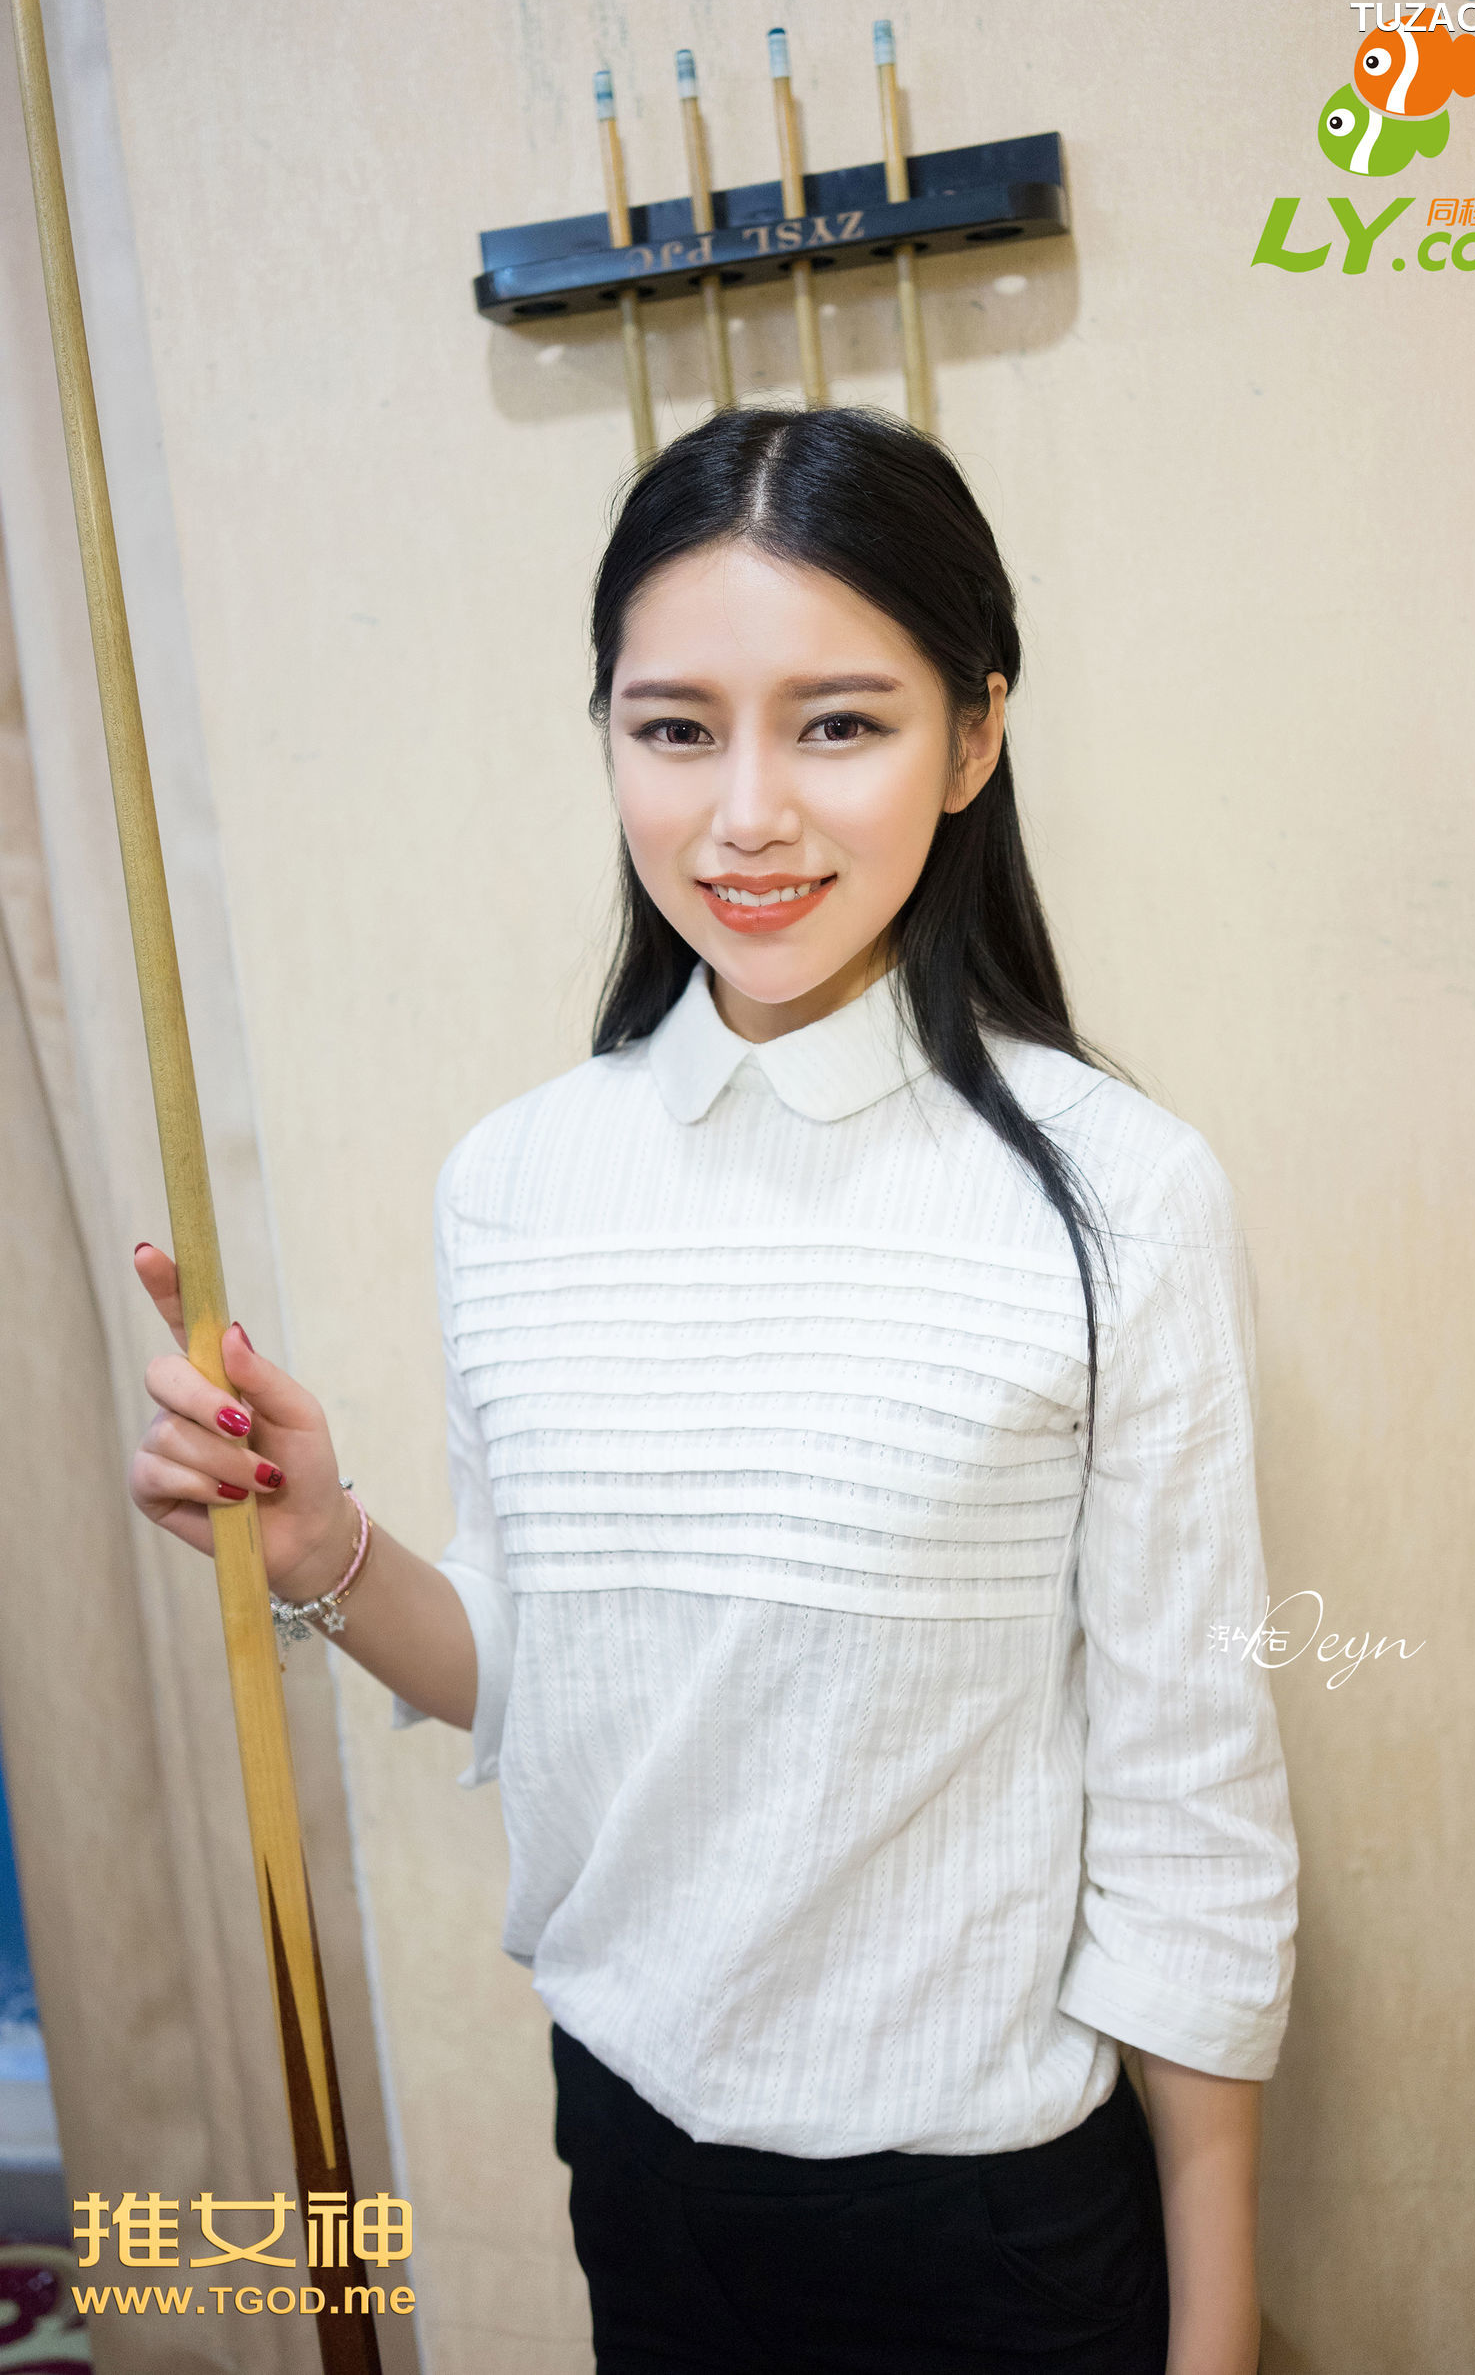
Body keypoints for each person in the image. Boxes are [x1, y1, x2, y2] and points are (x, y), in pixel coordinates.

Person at [129, 406, 1299, 2375]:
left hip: (989, 2222)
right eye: (674, 729)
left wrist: (1215, 2331)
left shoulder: (1120, 1197)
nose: (747, 814)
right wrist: (324, 1553)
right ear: (607, 739)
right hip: (633, 2162)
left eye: (838, 724)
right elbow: (559, 1684)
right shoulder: (514, 1182)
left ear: (975, 739)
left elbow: (1191, 1803)